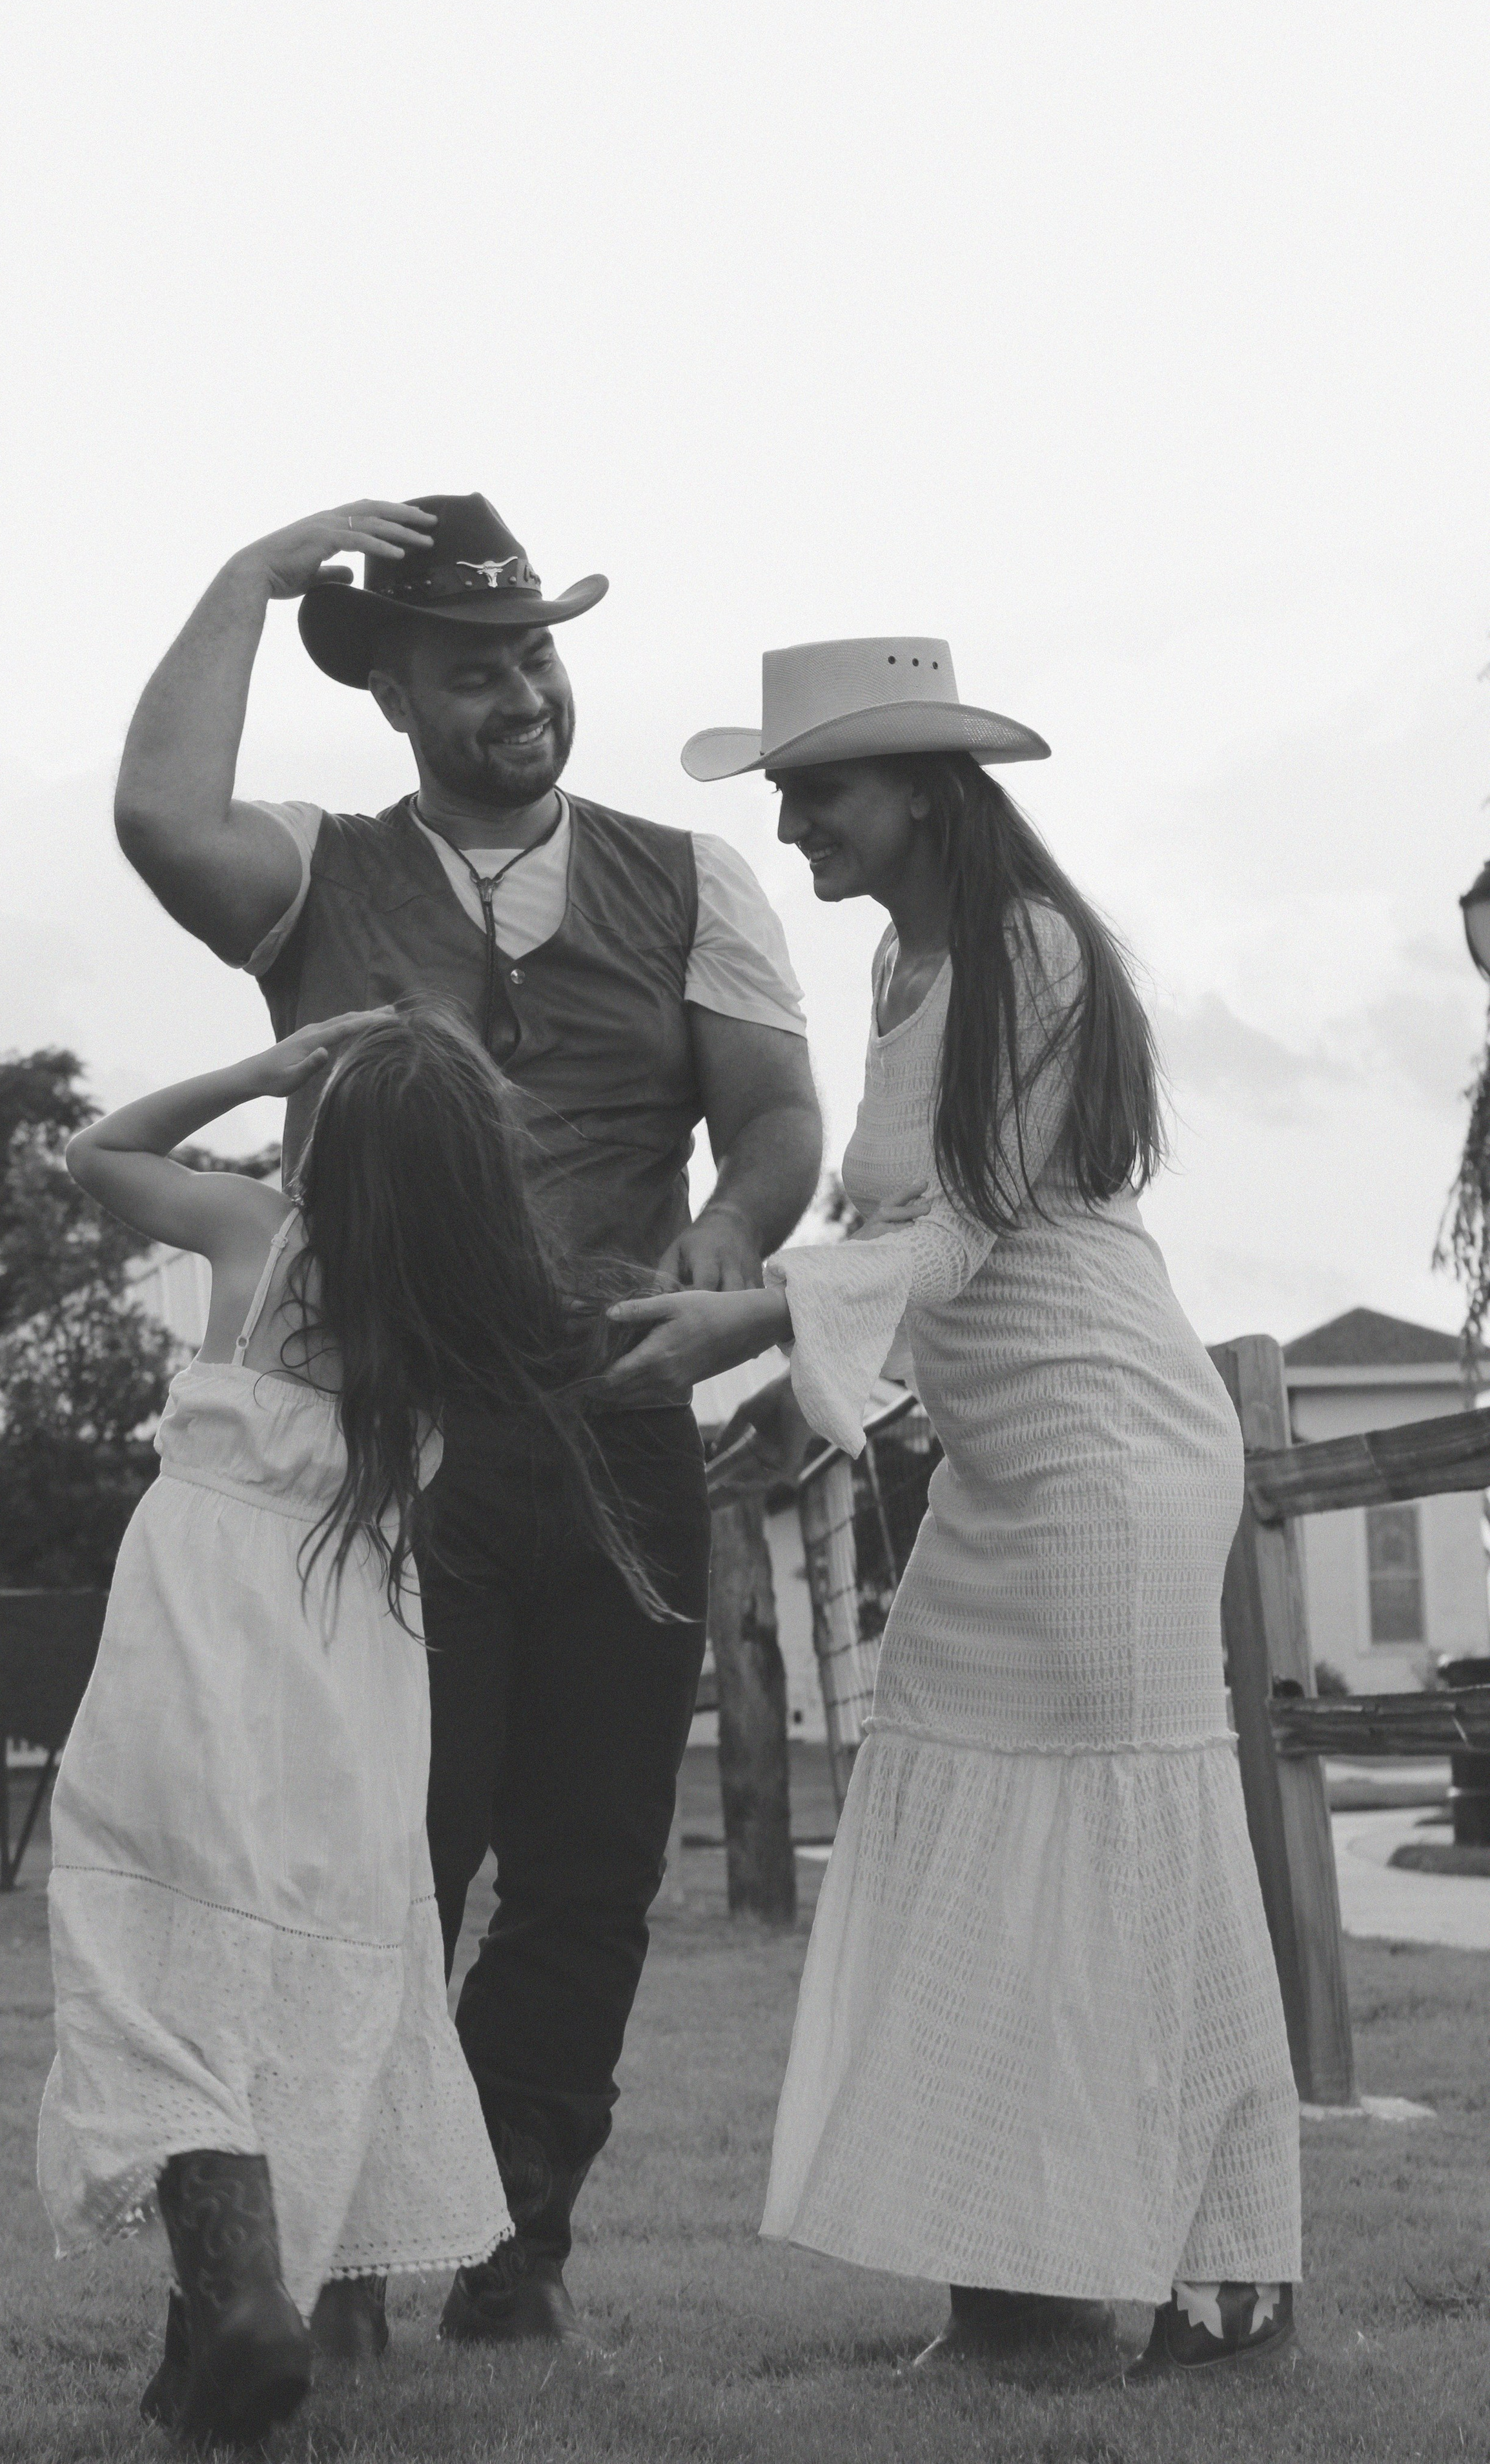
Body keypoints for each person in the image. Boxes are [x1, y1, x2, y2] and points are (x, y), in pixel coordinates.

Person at [111, 493, 822, 2348]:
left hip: (619, 1431)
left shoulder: (693, 875)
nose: (523, 691)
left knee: (588, 1875)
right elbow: (155, 819)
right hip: (388, 1454)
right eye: (478, 667)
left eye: (538, 654)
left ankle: (513, 2247)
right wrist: (257, 577)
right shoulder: (310, 871)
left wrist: (731, 1239)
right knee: (386, 1858)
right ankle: (336, 2245)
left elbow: (770, 1120)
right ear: (400, 695)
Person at [599, 639, 1302, 2380]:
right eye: (780, 790)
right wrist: (762, 1352)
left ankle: (1198, 2286)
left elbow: (965, 1236)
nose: (791, 819)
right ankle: (1022, 2275)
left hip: (1108, 1447)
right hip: (1007, 1458)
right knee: (982, 1844)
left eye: (813, 786)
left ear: (918, 786)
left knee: (1114, 1853)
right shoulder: (908, 961)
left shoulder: (1030, 952)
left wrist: (753, 1319)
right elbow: (896, 1246)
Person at [39, 1004, 689, 2445]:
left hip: (196, 1639)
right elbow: (640, 1357)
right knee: (289, 1986)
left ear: (322, 1140)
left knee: (150, 1958)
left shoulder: (255, 1233)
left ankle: (241, 2308)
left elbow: (97, 1150)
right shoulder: (482, 1319)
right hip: (355, 1677)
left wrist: (262, 1069)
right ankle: (208, 2344)